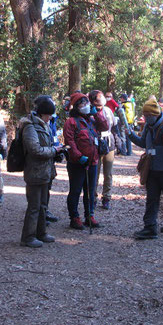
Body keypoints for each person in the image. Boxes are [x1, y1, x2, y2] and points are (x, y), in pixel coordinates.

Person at [128, 97, 163, 239]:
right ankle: (150, 227)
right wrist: (130, 135)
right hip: (151, 168)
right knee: (152, 199)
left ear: (155, 115)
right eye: (145, 116)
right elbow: (143, 142)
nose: (146, 118)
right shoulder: (148, 126)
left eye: (148, 116)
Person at [20, 96, 63, 247]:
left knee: (43, 205)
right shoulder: (30, 127)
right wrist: (53, 150)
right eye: (49, 114)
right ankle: (28, 237)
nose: (51, 117)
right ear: (43, 113)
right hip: (35, 172)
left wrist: (58, 150)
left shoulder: (44, 124)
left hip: (45, 172)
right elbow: (35, 150)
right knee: (34, 206)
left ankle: (41, 232)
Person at [63, 92, 108, 230]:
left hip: (92, 162)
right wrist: (78, 156)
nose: (86, 105)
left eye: (87, 102)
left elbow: (105, 126)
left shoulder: (91, 120)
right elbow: (69, 142)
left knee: (90, 191)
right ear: (76, 106)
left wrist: (96, 114)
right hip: (77, 163)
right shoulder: (70, 122)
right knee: (76, 191)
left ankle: (90, 215)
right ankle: (74, 217)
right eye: (82, 103)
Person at [89, 90, 115, 210]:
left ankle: (106, 197)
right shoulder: (90, 112)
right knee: (95, 172)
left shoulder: (108, 110)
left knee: (108, 173)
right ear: (94, 100)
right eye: (101, 96)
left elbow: (113, 124)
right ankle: (92, 197)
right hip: (96, 143)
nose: (104, 98)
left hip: (109, 143)